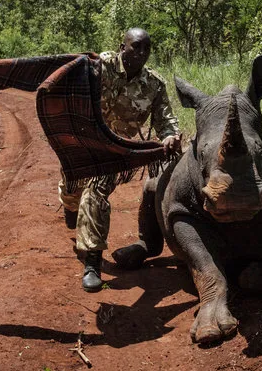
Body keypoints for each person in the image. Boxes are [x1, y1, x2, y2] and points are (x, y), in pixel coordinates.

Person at [58, 28, 181, 292]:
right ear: (122, 46)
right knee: (72, 189)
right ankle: (70, 206)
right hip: (82, 142)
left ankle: (92, 261)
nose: (141, 53)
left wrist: (171, 136)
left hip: (115, 151)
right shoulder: (98, 67)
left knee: (96, 193)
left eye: (147, 48)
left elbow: (165, 121)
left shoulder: (154, 85)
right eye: (136, 46)